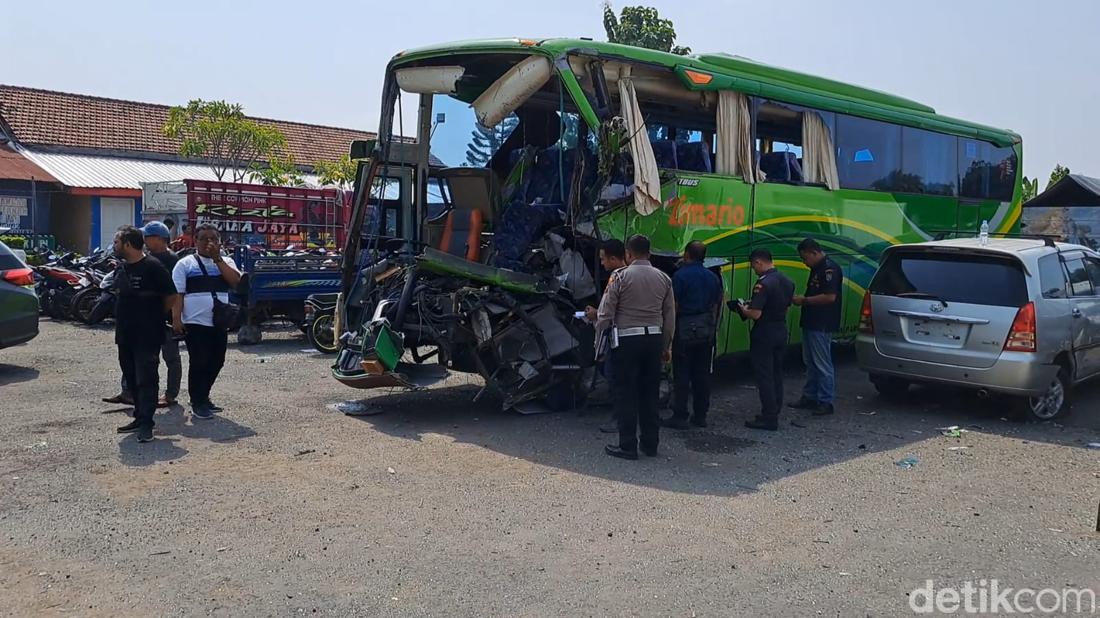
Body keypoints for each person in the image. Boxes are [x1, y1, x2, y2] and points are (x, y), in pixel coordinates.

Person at [595, 235, 676, 460]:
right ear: (649, 254)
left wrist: (598, 344)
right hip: (653, 340)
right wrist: (666, 345)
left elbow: (605, 314)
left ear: (628, 255)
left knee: (625, 393)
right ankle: (650, 444)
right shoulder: (664, 278)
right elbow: (669, 316)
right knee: (649, 393)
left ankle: (627, 446)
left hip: (626, 341)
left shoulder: (619, 276)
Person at [102, 222, 183, 407]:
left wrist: (165, 313)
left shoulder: (171, 260)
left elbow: (174, 292)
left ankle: (170, 395)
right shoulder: (140, 259)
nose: (144, 241)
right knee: (132, 356)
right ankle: (128, 392)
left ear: (158, 238)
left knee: (170, 357)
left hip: (165, 319)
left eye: (147, 237)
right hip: (140, 321)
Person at [172, 224, 241, 420]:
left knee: (217, 361)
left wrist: (218, 259)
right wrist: (176, 319)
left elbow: (235, 282)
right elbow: (178, 293)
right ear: (195, 241)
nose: (208, 242)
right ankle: (198, 401)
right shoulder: (185, 264)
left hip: (219, 321)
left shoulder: (225, 261)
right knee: (199, 361)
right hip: (195, 322)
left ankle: (204, 395)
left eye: (213, 239)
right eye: (204, 238)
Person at [730, 248, 794, 431]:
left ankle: (769, 417)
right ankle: (774, 411)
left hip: (764, 333)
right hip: (780, 330)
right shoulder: (787, 281)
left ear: (758, 262)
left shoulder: (763, 284)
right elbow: (786, 308)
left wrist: (742, 308)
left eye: (753, 266)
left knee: (764, 375)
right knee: (776, 373)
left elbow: (755, 314)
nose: (754, 270)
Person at [663, 240, 723, 429]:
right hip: (706, 329)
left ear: (687, 254)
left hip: (685, 328)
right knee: (702, 374)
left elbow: (675, 306)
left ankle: (680, 415)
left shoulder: (680, 276)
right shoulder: (712, 277)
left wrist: (669, 335)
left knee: (682, 374)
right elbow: (715, 305)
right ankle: (700, 416)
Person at [791, 238, 843, 416]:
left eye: (805, 258)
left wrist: (804, 300)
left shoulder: (830, 269)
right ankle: (810, 396)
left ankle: (825, 401)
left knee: (822, 363)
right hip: (811, 321)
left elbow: (830, 297)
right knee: (810, 362)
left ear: (814, 252)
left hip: (822, 322)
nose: (804, 262)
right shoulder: (817, 268)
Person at [584, 239, 627, 434]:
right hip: (645, 337)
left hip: (619, 339)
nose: (601, 264)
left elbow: (607, 315)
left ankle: (619, 421)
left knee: (616, 379)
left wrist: (595, 316)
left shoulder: (616, 278)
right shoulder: (657, 277)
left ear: (613, 258)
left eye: (603, 259)